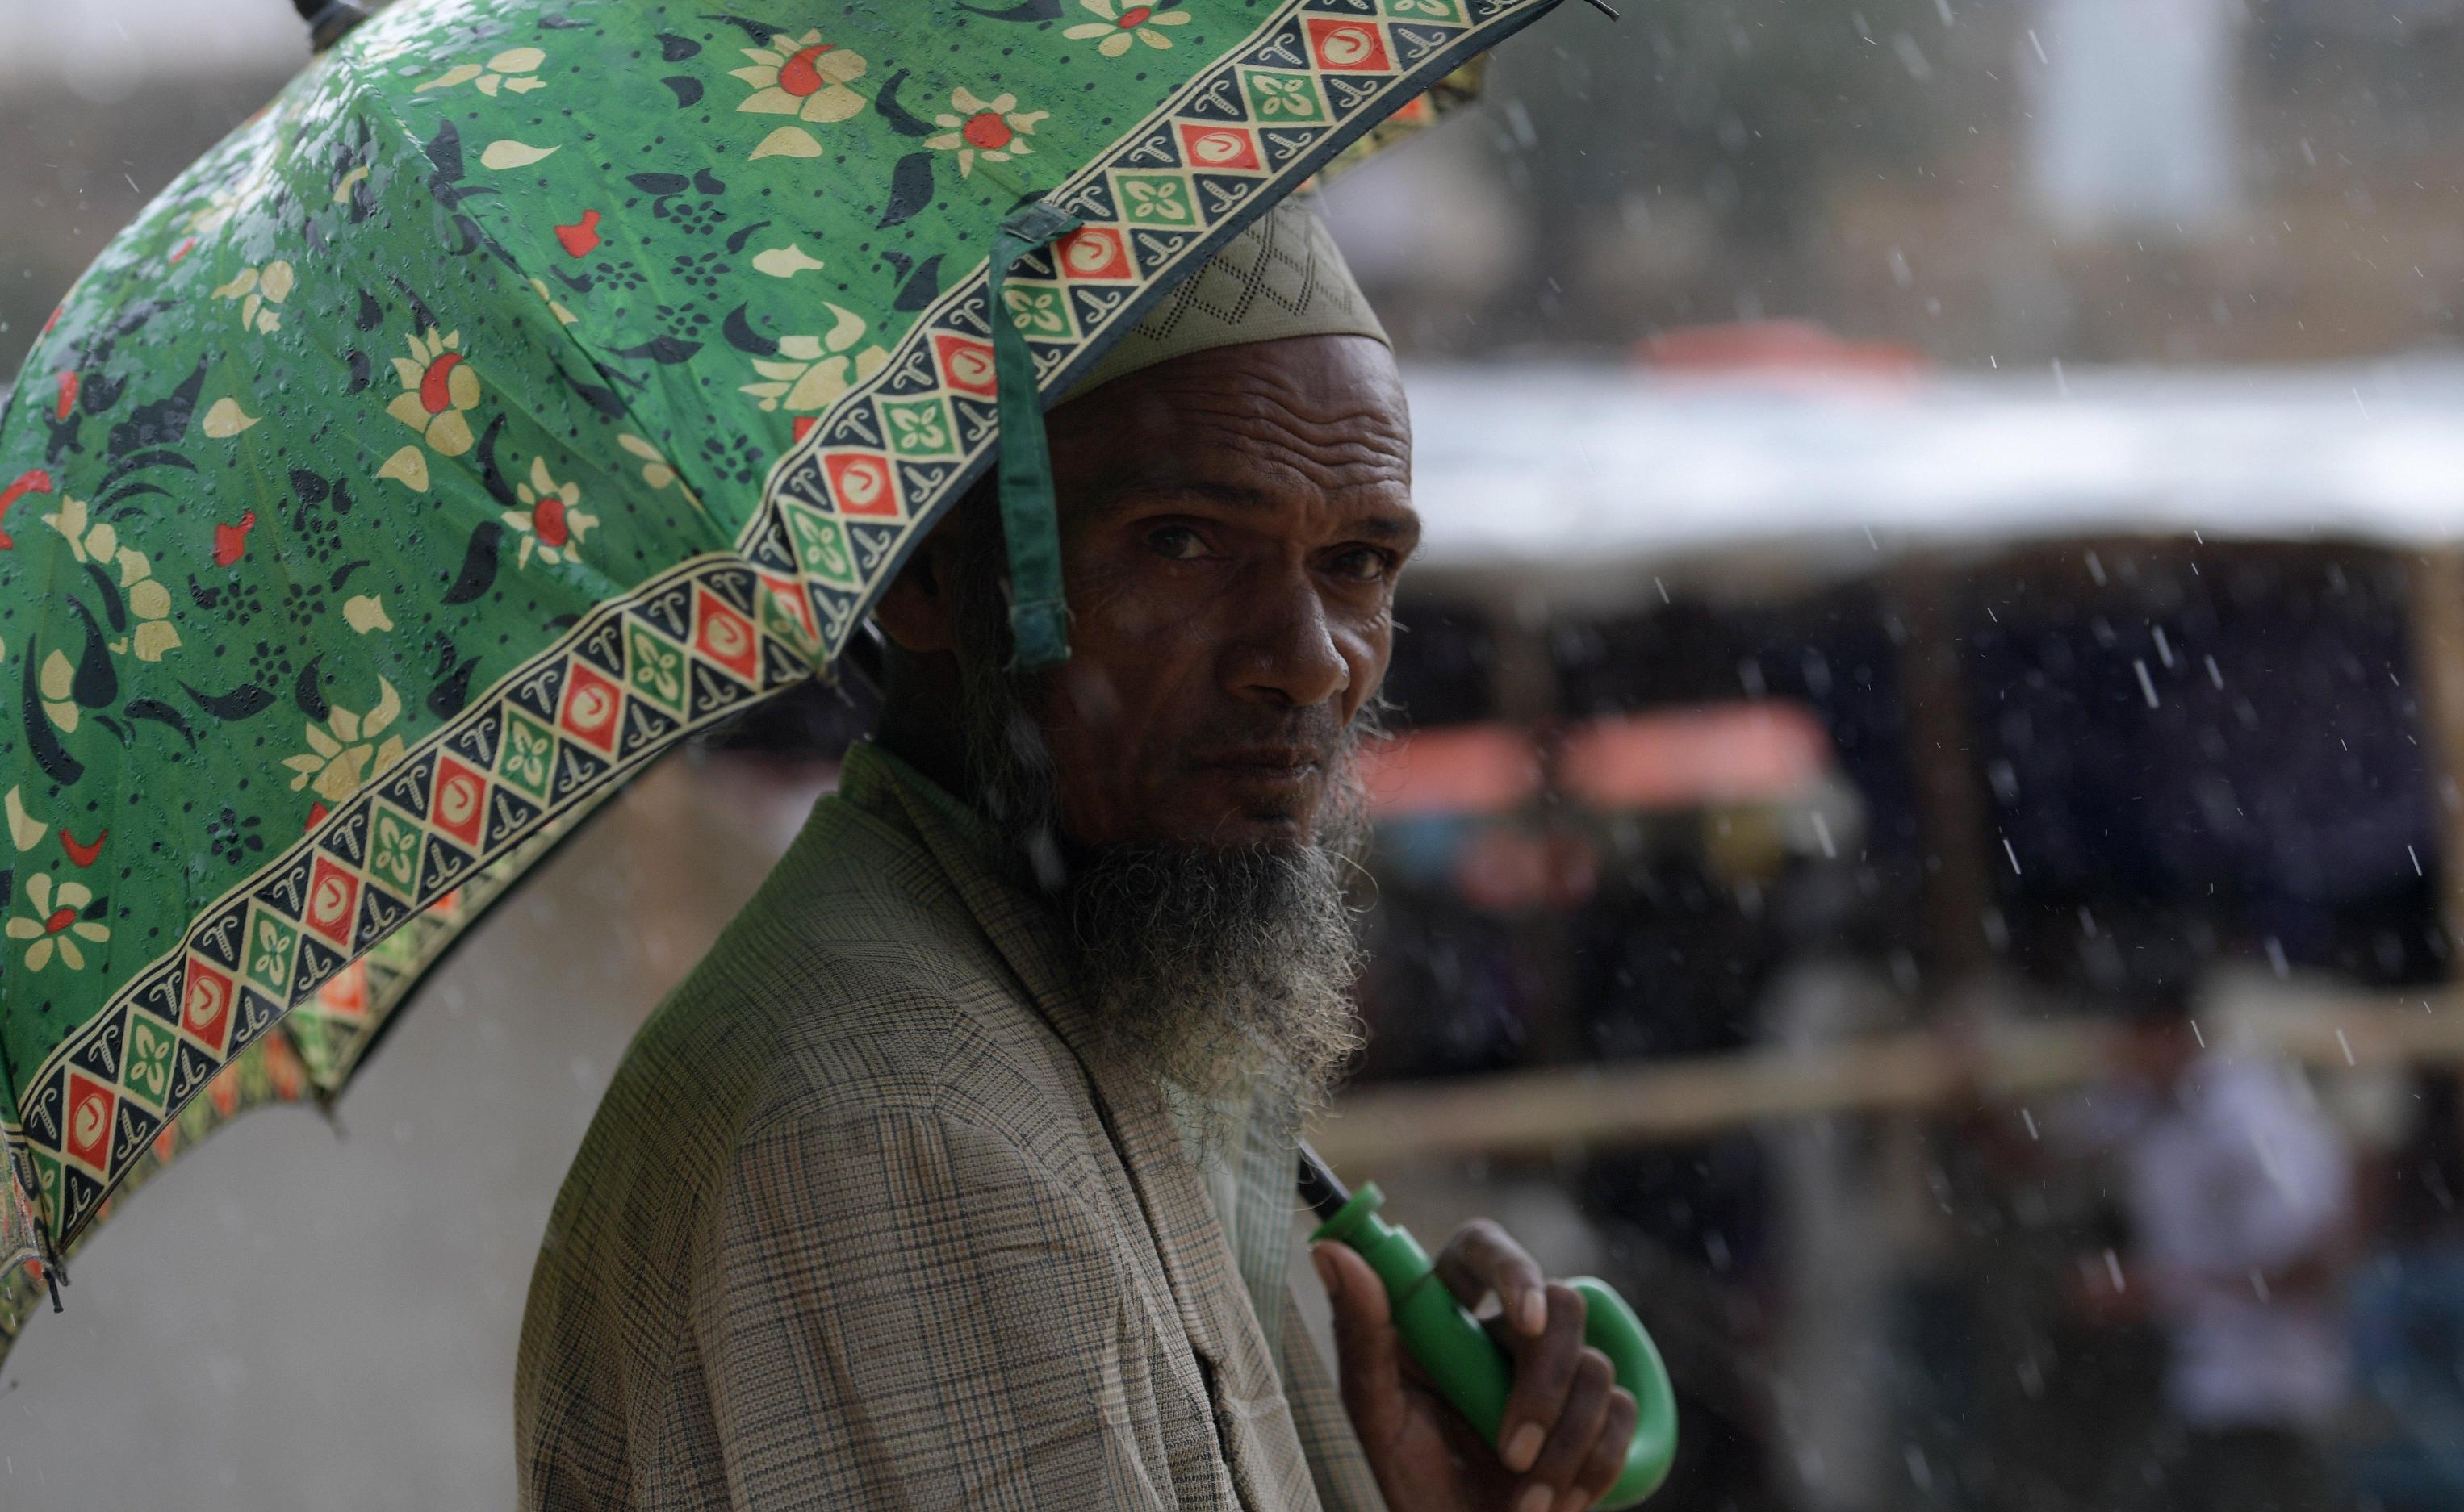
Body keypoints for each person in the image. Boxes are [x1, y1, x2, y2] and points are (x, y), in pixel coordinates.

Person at [515, 201, 1644, 1510]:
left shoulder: (1094, 1002)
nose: (1310, 654)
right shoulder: (900, 1128)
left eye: (1355, 561)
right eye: (1182, 540)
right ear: (929, 575)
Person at [2081, 963, 2355, 1512]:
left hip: (2268, 1395)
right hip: (2191, 1386)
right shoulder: (2140, 1102)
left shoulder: (2253, 1119)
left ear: (2172, 1033)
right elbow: (2034, 1152)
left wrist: (2161, 1289)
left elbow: (2316, 1266)